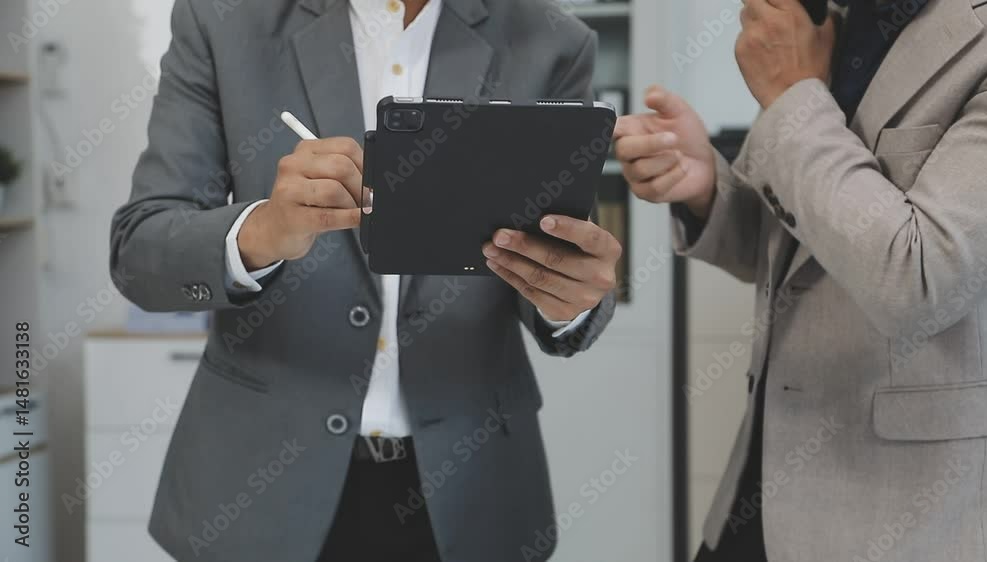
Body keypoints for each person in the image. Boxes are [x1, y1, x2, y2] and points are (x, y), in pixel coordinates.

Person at [108, 0, 621, 560]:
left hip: (471, 492)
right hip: (259, 493)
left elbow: (557, 247)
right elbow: (139, 251)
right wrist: (262, 231)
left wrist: (567, 296)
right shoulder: (222, 19)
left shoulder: (552, 40)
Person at [615, 0, 987, 560]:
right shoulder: (833, 18)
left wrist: (792, 96)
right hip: (752, 499)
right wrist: (709, 188)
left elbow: (918, 281)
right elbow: (795, 254)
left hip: (913, 521)